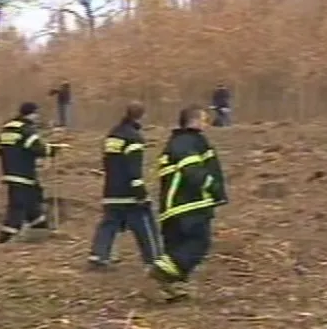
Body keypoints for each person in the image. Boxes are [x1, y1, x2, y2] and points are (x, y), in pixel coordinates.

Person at [147, 105, 228, 302]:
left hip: (173, 208)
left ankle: (174, 288)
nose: (207, 124)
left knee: (177, 248)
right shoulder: (188, 142)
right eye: (204, 120)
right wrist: (212, 187)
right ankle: (160, 271)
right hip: (189, 204)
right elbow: (192, 170)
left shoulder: (176, 142)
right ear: (195, 121)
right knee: (198, 244)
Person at [87, 102, 161, 269]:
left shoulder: (113, 135)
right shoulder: (134, 137)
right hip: (128, 192)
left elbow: (107, 162)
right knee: (144, 224)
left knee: (109, 224)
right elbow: (133, 167)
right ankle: (154, 259)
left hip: (111, 189)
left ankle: (98, 255)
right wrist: (141, 193)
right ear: (142, 116)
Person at [0, 102, 57, 243]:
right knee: (18, 204)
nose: (38, 117)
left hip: (9, 171)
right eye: (37, 113)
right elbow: (38, 149)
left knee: (33, 198)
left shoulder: (6, 128)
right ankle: (7, 235)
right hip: (24, 173)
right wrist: (52, 150)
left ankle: (38, 226)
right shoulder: (27, 130)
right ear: (31, 113)